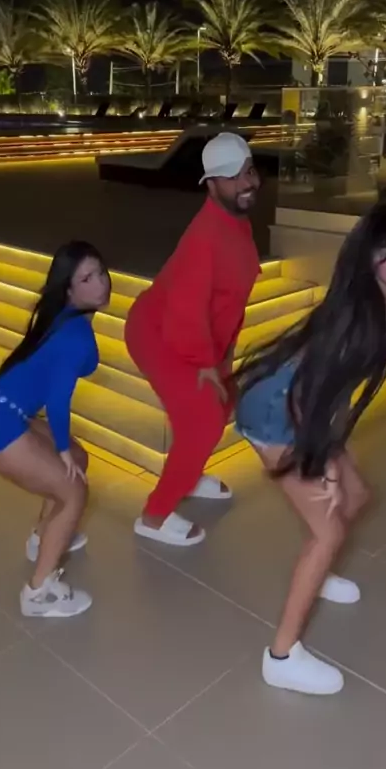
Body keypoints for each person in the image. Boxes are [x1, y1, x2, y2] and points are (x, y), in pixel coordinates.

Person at [235, 203, 386, 695]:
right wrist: (323, 464)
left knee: (357, 496)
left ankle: (317, 574)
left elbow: (335, 389)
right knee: (328, 532)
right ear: (368, 259)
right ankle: (282, 656)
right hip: (275, 415)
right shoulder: (360, 317)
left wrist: (335, 456)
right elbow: (306, 395)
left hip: (306, 406)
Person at [0, 241, 111, 618]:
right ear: (69, 290)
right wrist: (59, 449)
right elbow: (57, 402)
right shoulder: (75, 335)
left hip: (1, 411)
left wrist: (66, 452)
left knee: (78, 459)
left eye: (101, 273)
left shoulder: (66, 317)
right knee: (74, 492)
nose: (101, 284)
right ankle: (39, 593)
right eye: (86, 279)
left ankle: (43, 537)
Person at [125, 131, 261, 546]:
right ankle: (154, 515)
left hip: (193, 332)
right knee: (203, 418)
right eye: (233, 177)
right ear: (211, 184)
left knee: (220, 404)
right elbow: (186, 310)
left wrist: (224, 355)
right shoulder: (205, 237)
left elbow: (229, 300)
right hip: (158, 334)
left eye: (249, 171)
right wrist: (205, 363)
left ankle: (188, 472)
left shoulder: (235, 222)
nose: (247, 183)